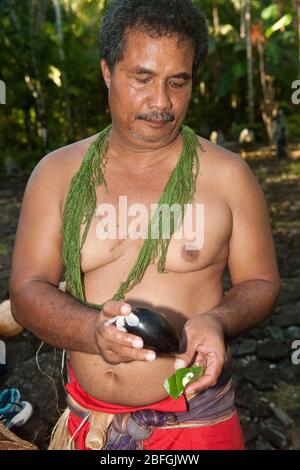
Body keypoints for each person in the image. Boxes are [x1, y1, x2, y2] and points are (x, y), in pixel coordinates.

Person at [9, 0, 280, 451]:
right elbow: (26, 291)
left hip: (197, 423)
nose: (162, 102)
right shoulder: (57, 173)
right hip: (89, 427)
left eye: (179, 81)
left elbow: (262, 282)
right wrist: (91, 332)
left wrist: (217, 320)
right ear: (106, 72)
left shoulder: (228, 176)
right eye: (142, 78)